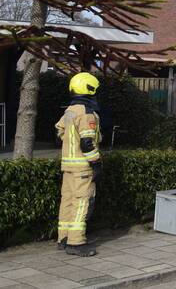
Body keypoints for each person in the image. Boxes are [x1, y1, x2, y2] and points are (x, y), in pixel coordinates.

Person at [55, 72, 103, 256]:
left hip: (68, 166)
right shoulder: (86, 113)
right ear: (90, 89)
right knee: (82, 203)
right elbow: (87, 143)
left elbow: (59, 132)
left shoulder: (70, 111)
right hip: (83, 167)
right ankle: (76, 243)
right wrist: (96, 163)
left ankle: (64, 238)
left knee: (67, 201)